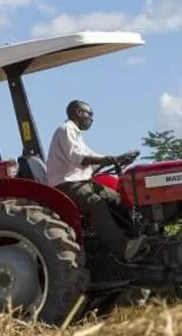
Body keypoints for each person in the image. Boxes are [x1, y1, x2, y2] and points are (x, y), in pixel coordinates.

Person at [46, 99, 150, 262]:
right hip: (67, 184)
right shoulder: (66, 129)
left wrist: (118, 159)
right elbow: (77, 157)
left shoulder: (76, 135)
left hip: (81, 182)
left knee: (116, 198)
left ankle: (136, 236)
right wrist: (108, 160)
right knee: (95, 203)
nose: (91, 119)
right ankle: (124, 248)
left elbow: (92, 159)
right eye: (90, 114)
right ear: (79, 112)